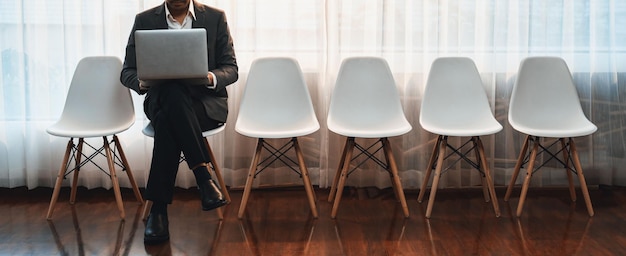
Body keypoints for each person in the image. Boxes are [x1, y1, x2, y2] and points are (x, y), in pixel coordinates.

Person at [120, 0, 238, 244]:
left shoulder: (215, 17)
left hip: (204, 104)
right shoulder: (145, 20)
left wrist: (209, 76)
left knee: (168, 120)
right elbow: (127, 71)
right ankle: (203, 177)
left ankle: (159, 210)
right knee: (172, 91)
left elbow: (231, 68)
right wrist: (144, 81)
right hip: (161, 97)